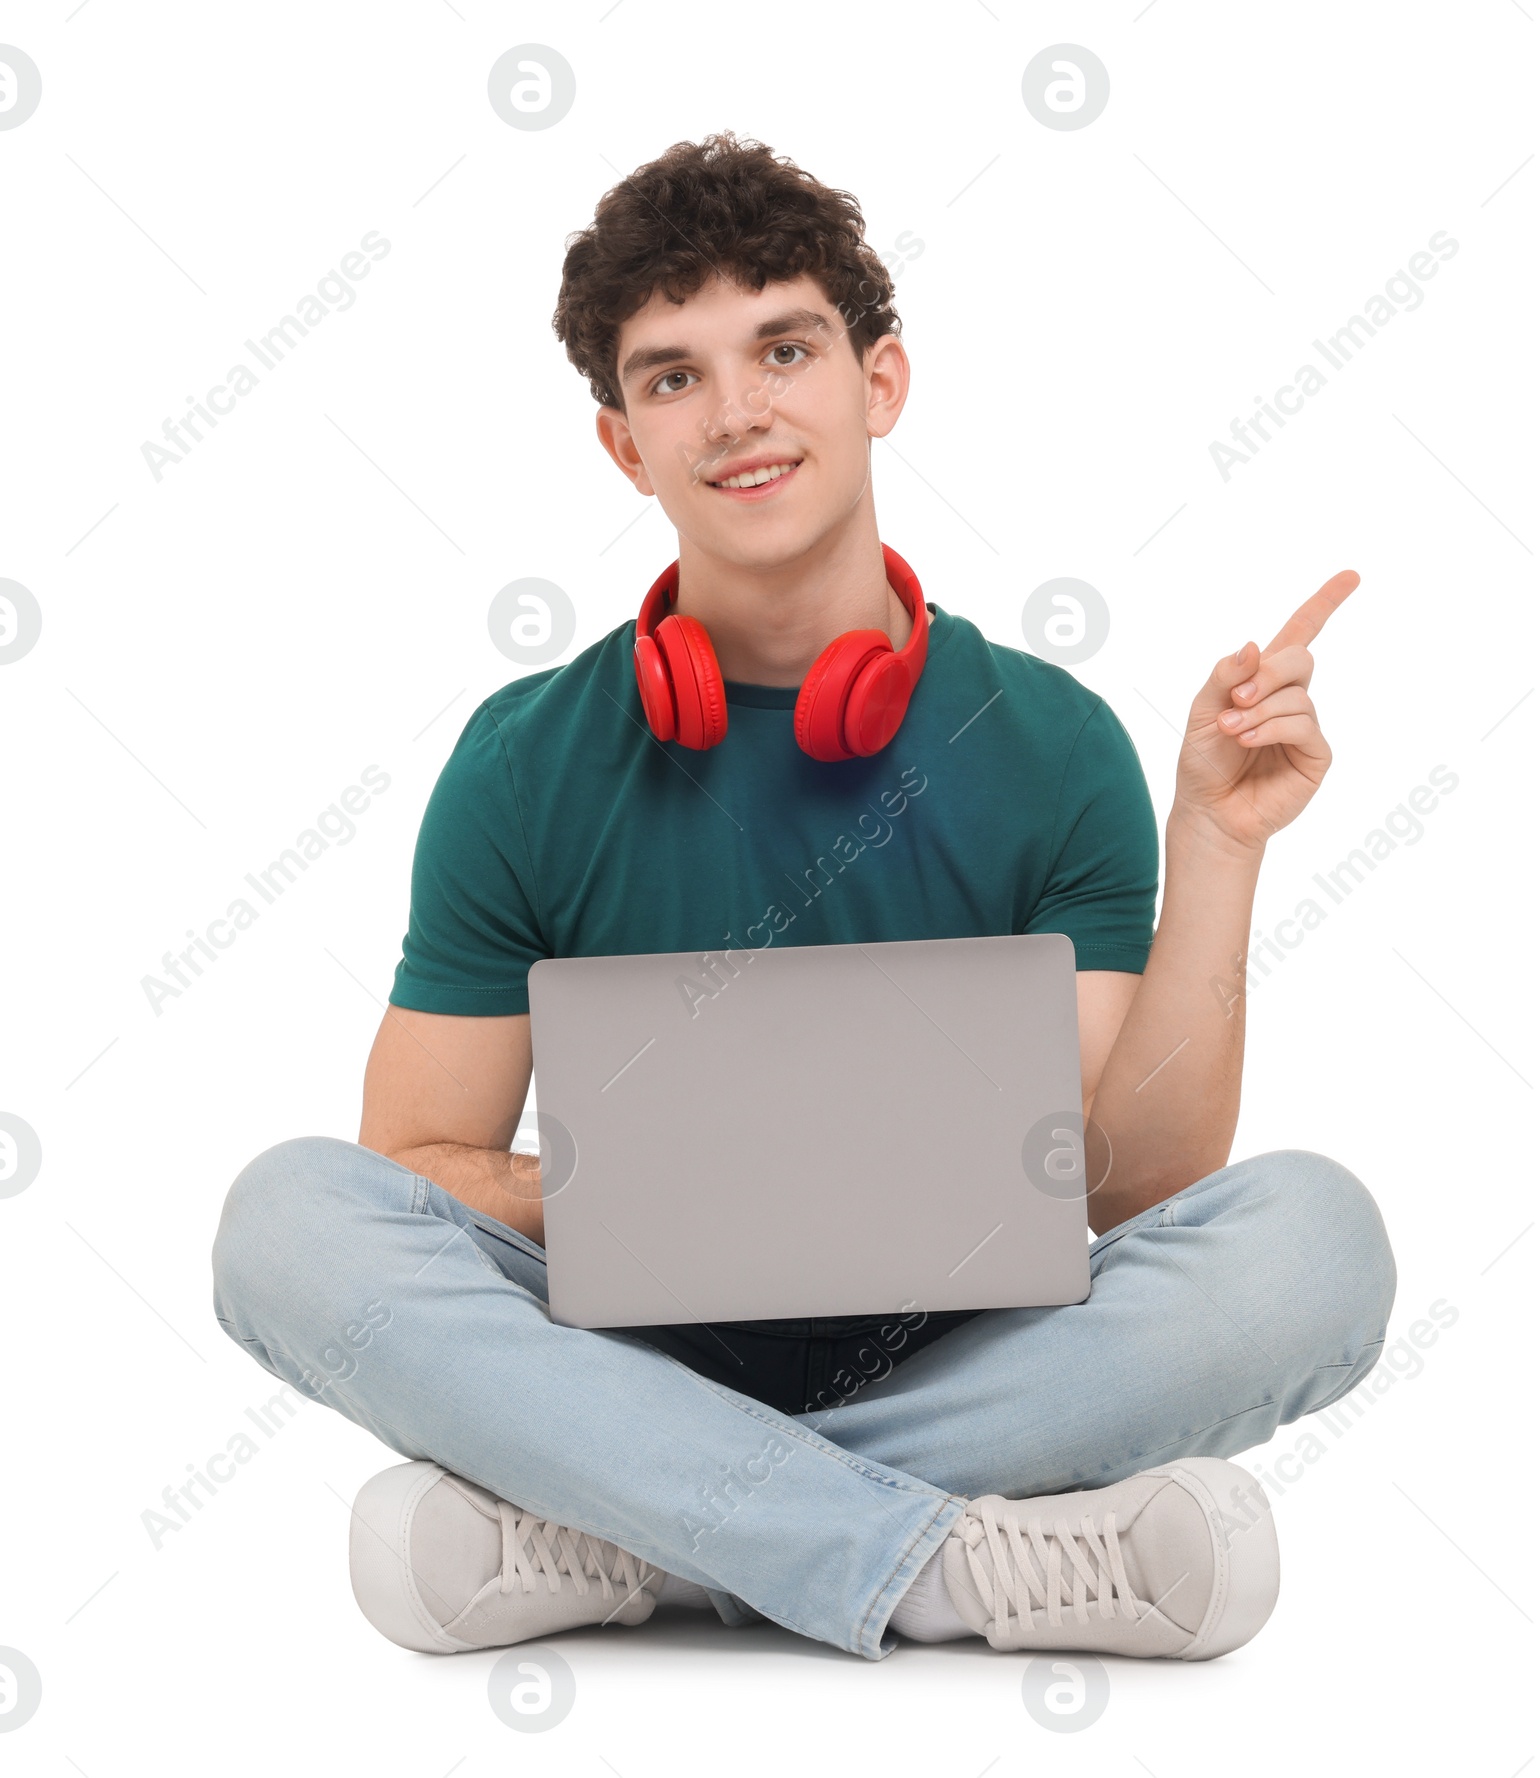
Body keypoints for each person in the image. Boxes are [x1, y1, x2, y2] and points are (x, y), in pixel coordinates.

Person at [211, 131, 1396, 1663]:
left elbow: (1132, 1183)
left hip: (971, 1347)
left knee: (1315, 1240)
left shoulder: (1051, 742)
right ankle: (948, 1563)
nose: (739, 412)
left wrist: (1220, 844)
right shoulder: (522, 761)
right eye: (673, 376)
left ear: (878, 383)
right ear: (624, 446)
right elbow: (415, 1163)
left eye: (783, 348)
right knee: (288, 1222)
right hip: (616, 1341)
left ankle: (634, 1533)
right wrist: (674, 1193)